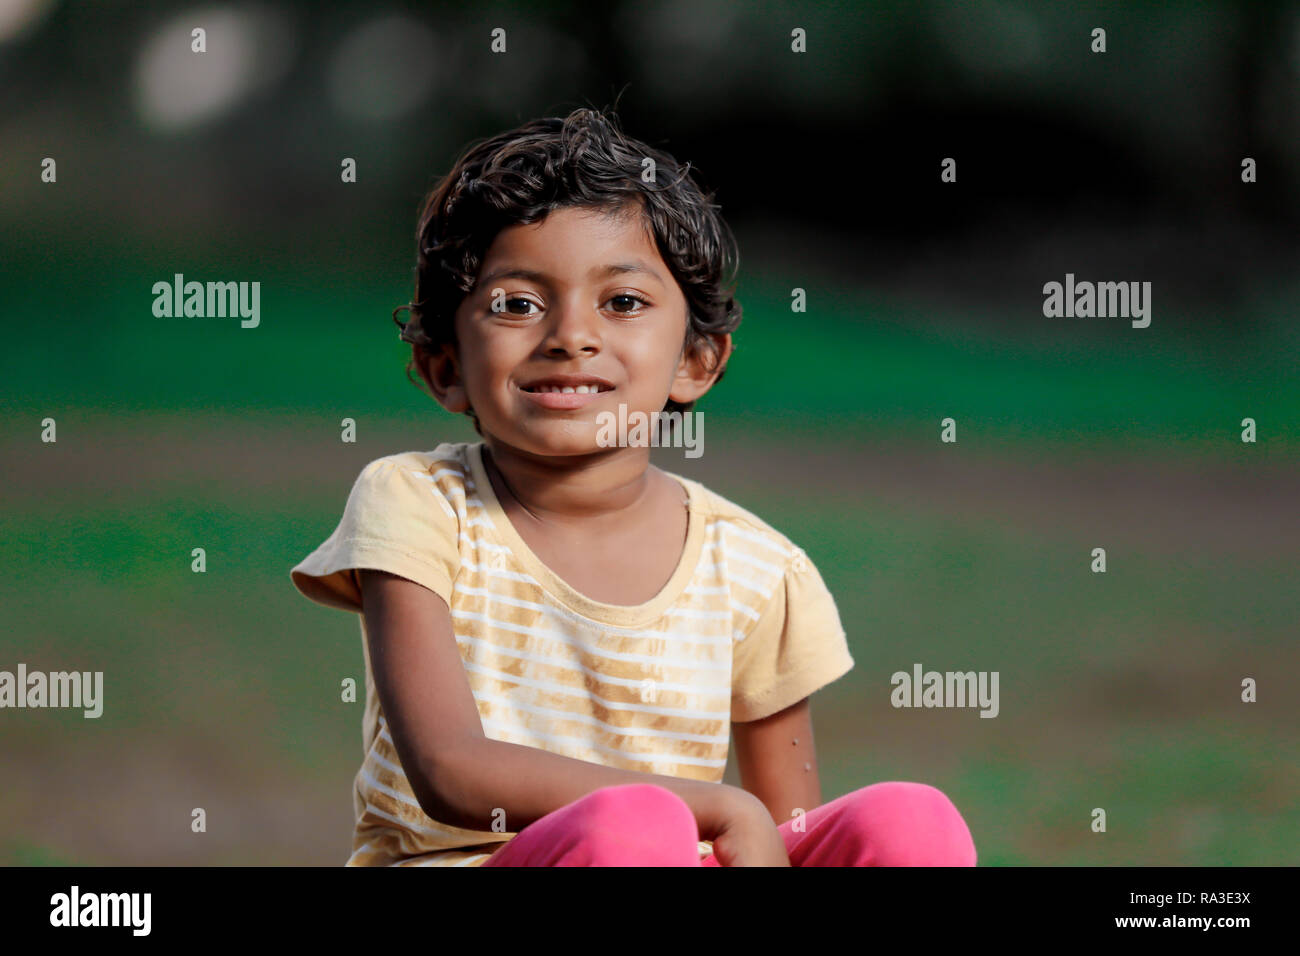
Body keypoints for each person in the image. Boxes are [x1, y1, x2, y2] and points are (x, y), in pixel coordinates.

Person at [289, 106, 977, 867]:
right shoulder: (419, 503)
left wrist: (726, 822)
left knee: (913, 822)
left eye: (622, 302)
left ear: (697, 363)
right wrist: (710, 805)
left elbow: (780, 838)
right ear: (445, 368)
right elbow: (449, 769)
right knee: (633, 829)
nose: (570, 335)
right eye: (517, 304)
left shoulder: (758, 569)